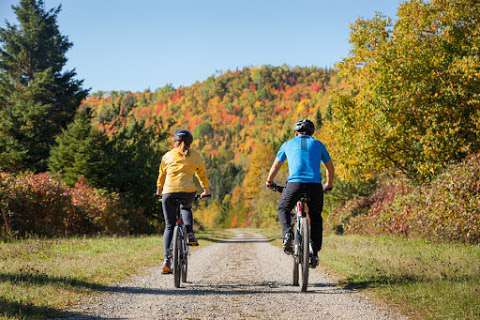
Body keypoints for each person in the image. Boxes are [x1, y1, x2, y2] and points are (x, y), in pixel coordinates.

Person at [266, 119, 334, 268]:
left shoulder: (287, 144)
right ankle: (314, 252)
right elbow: (330, 167)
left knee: (283, 208)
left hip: (294, 185)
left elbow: (276, 166)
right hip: (315, 186)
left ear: (296, 133)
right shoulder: (318, 144)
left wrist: (269, 181)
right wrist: (328, 184)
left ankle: (287, 234)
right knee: (315, 216)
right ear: (312, 133)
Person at [156, 129, 210, 274]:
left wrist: (158, 190)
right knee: (186, 208)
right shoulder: (196, 156)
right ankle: (190, 232)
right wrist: (206, 190)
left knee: (169, 226)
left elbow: (161, 175)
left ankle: (167, 260)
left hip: (169, 192)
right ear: (190, 143)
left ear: (176, 142)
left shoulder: (167, 156)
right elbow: (202, 175)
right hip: (188, 192)